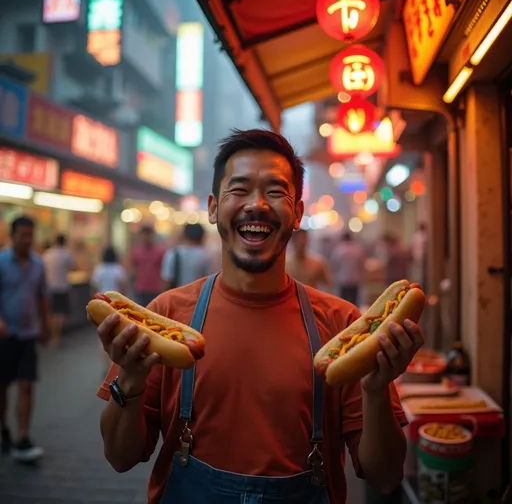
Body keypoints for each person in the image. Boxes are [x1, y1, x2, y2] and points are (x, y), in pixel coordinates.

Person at [93, 129, 423, 504]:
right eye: (240, 189)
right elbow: (119, 458)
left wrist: (376, 391)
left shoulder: (344, 328)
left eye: (275, 191)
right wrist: (129, 381)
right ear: (214, 208)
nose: (257, 205)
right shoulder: (166, 316)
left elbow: (384, 477)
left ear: (297, 212)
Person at [0, 216, 49, 462]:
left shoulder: (38, 264)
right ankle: (4, 430)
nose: (28, 240)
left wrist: (46, 324)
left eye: (31, 235)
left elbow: (43, 296)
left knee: (26, 385)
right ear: (13, 235)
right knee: (2, 387)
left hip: (29, 334)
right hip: (5, 335)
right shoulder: (1, 261)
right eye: (23, 235)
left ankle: (23, 435)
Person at [42, 234, 75, 347]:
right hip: (62, 287)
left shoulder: (47, 253)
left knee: (51, 313)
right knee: (60, 314)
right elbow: (73, 267)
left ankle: (52, 336)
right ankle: (57, 337)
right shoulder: (66, 253)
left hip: (49, 287)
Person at [161, 223, 212, 289]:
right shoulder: (205, 256)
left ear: (184, 235)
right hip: (199, 296)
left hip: (177, 295)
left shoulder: (173, 253)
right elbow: (208, 280)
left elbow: (167, 280)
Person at [130, 226, 165, 306]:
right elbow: (133, 270)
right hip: (140, 289)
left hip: (155, 289)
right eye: (144, 235)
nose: (146, 237)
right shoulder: (136, 252)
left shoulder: (160, 252)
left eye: (148, 235)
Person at [330, 231, 366, 307]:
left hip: (343, 279)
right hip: (355, 280)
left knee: (343, 303)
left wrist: (335, 275)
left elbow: (334, 264)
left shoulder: (339, 249)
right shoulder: (358, 249)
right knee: (354, 302)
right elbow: (362, 265)